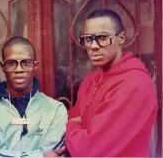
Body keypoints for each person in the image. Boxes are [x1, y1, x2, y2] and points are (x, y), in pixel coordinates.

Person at [65, 9, 158, 157]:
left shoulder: (135, 85)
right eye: (88, 39)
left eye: (102, 37)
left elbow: (88, 150)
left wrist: (72, 125)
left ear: (121, 38)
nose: (93, 46)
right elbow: (75, 119)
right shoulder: (91, 80)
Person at [0, 36, 67, 157]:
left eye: (26, 63)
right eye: (11, 63)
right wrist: (38, 156)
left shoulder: (55, 110)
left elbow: (54, 154)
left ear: (35, 66)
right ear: (3, 66)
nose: (19, 69)